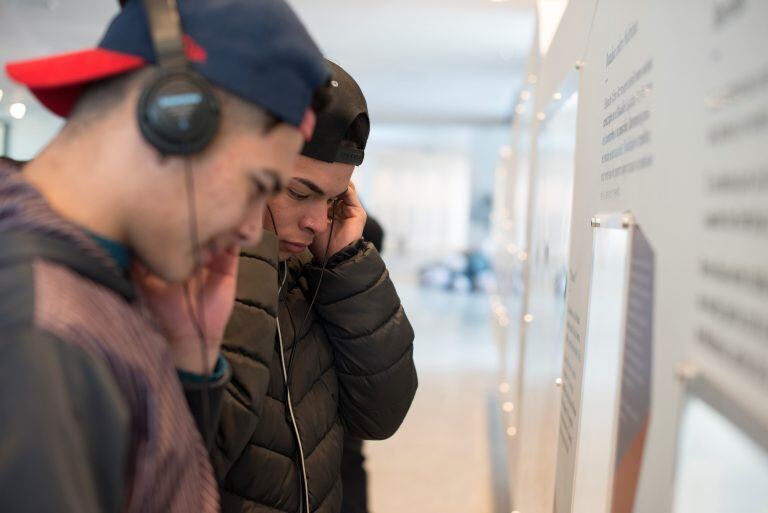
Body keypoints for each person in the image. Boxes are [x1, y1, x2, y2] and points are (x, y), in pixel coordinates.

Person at [0, 1, 329, 512]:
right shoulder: (38, 326)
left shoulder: (92, 282)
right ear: (175, 119)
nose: (248, 231)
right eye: (256, 185)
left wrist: (187, 360)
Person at [212, 61, 418, 513]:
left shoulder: (313, 270)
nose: (316, 221)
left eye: (332, 199)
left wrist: (348, 263)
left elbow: (380, 416)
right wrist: (248, 247)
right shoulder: (176, 275)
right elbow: (202, 447)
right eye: (300, 193)